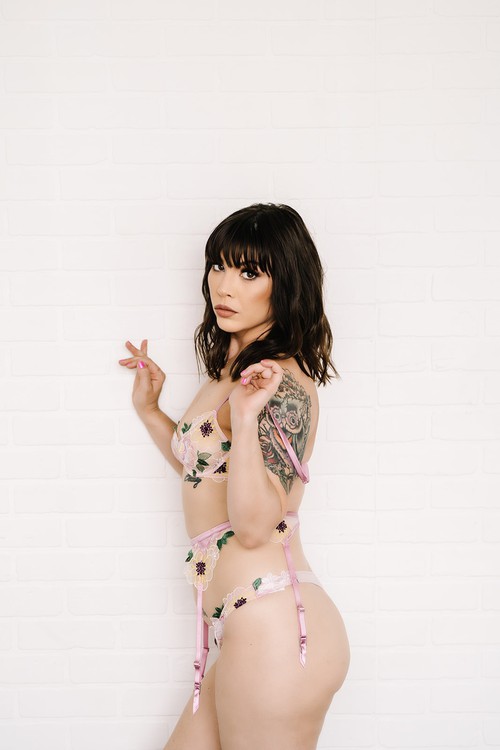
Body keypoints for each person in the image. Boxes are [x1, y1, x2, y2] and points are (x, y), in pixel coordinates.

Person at [118, 203, 350, 750]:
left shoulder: (278, 383)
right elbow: (206, 473)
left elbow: (253, 525)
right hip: (246, 630)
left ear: (284, 283)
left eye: (248, 272)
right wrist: (152, 412)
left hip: (276, 627)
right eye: (218, 266)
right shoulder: (232, 373)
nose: (224, 285)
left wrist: (245, 422)